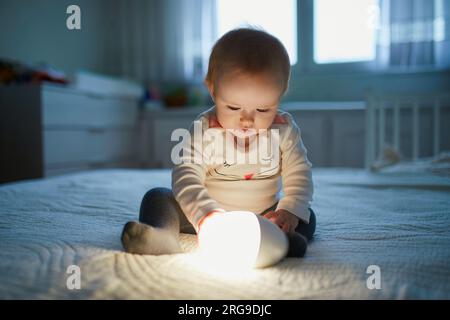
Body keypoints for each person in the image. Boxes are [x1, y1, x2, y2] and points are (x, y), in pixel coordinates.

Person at [121, 28, 316, 258]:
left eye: (263, 109)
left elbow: (299, 172)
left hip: (263, 215)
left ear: (279, 96)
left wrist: (289, 211)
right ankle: (162, 235)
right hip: (206, 213)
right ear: (212, 89)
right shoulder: (205, 128)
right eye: (233, 107)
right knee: (157, 197)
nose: (247, 120)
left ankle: (280, 236)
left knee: (306, 216)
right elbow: (186, 173)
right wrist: (205, 214)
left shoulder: (283, 128)